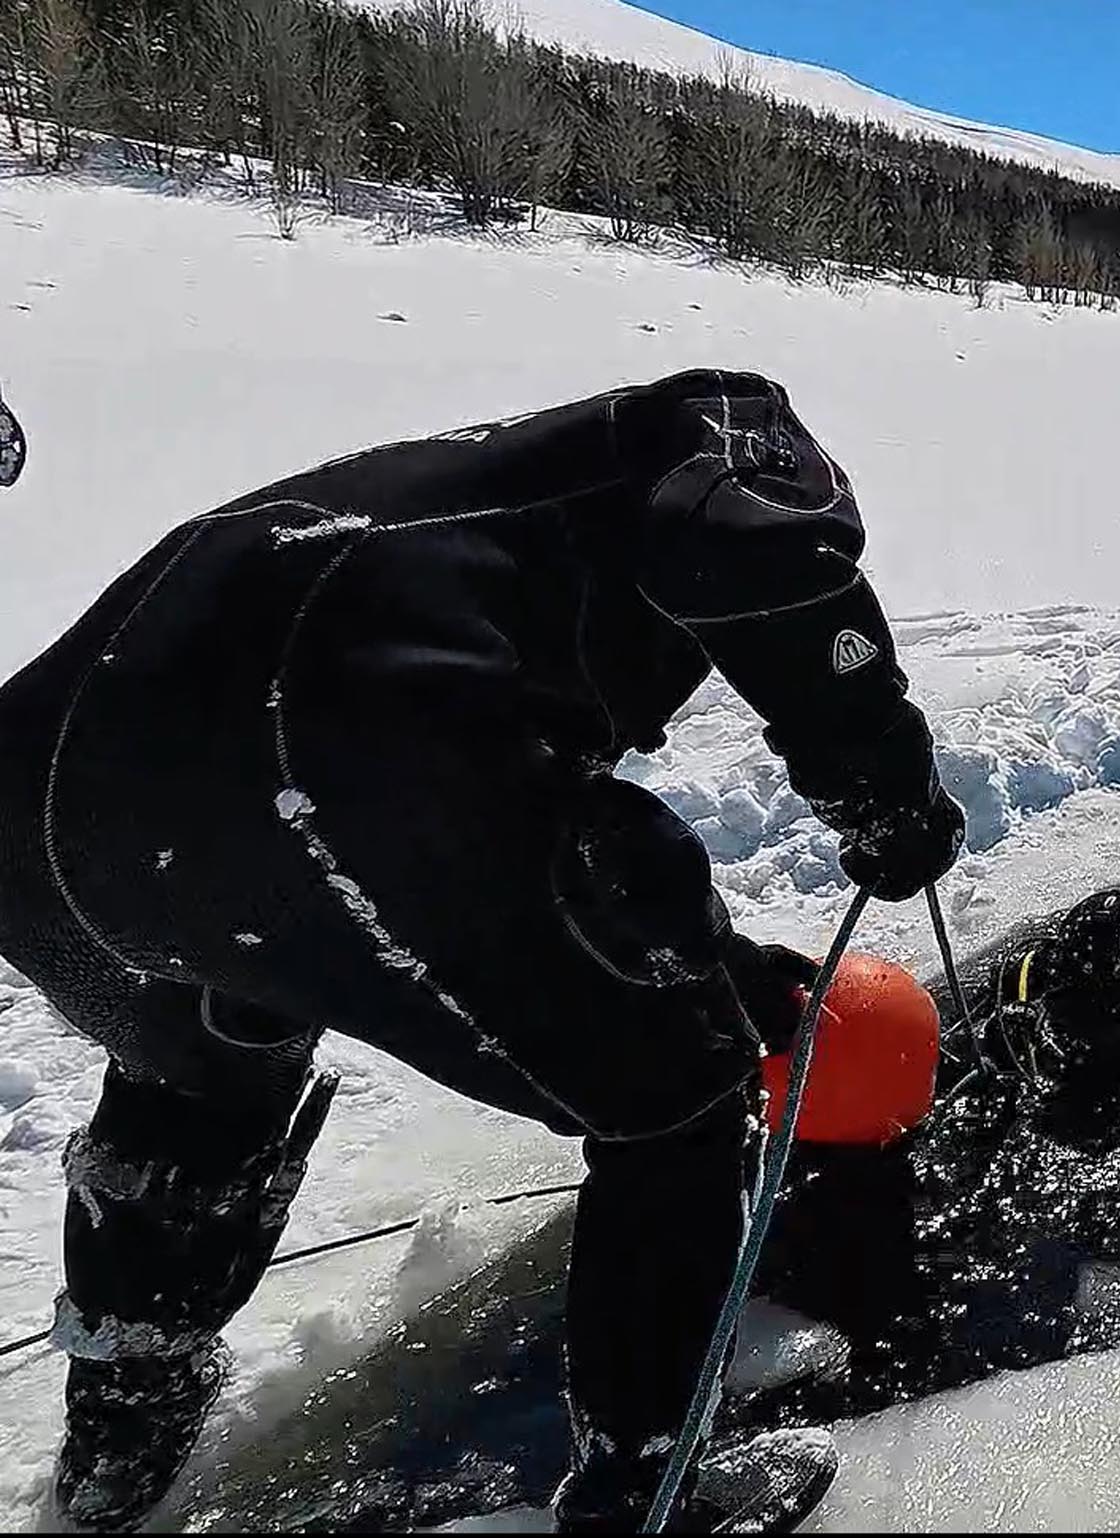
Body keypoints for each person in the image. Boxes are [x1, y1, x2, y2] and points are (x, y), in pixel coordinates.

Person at [0, 368, 965, 1530]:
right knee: (674, 1081)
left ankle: (119, 1449)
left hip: (41, 810)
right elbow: (753, 551)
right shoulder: (717, 418)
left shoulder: (481, 501)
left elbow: (542, 874)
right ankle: (646, 1489)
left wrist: (728, 965)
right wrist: (885, 786)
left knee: (198, 1083)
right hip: (324, 748)